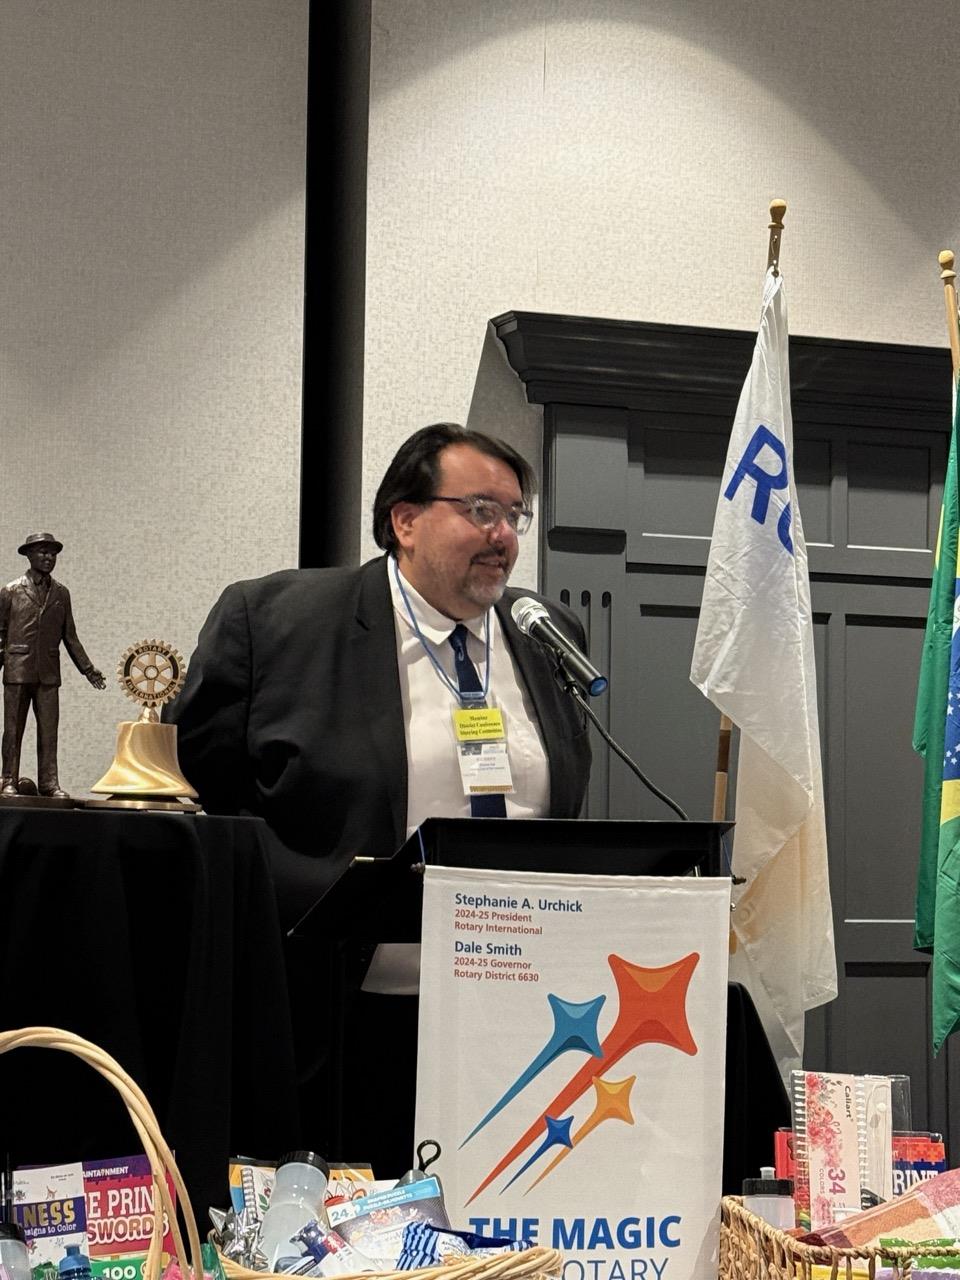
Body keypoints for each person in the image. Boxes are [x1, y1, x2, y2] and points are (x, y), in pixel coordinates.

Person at [170, 423, 593, 922]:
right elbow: (199, 785)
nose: (502, 535)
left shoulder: (544, 630)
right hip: (340, 953)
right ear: (406, 521)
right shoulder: (275, 622)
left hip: (521, 952)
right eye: (481, 511)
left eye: (514, 515)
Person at [0, 532, 106, 798]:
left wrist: (88, 669)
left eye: (53, 553)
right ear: (29, 555)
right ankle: (8, 779)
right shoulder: (10, 591)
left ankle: (49, 783)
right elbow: (0, 634)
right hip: (17, 670)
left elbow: (70, 636)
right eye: (43, 552)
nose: (49, 557)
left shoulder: (61, 593)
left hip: (48, 673)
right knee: (13, 730)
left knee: (49, 732)